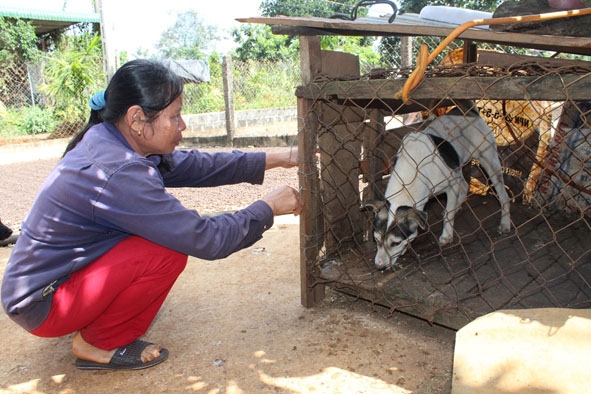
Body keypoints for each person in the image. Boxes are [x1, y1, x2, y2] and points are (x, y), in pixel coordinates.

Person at [1, 59, 303, 371]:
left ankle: (93, 318)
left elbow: (195, 165)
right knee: (166, 249)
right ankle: (99, 342)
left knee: (154, 236)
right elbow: (206, 239)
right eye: (174, 116)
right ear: (137, 119)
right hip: (42, 304)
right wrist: (267, 208)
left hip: (42, 286)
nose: (182, 125)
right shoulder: (118, 171)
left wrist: (280, 157)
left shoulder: (109, 138)